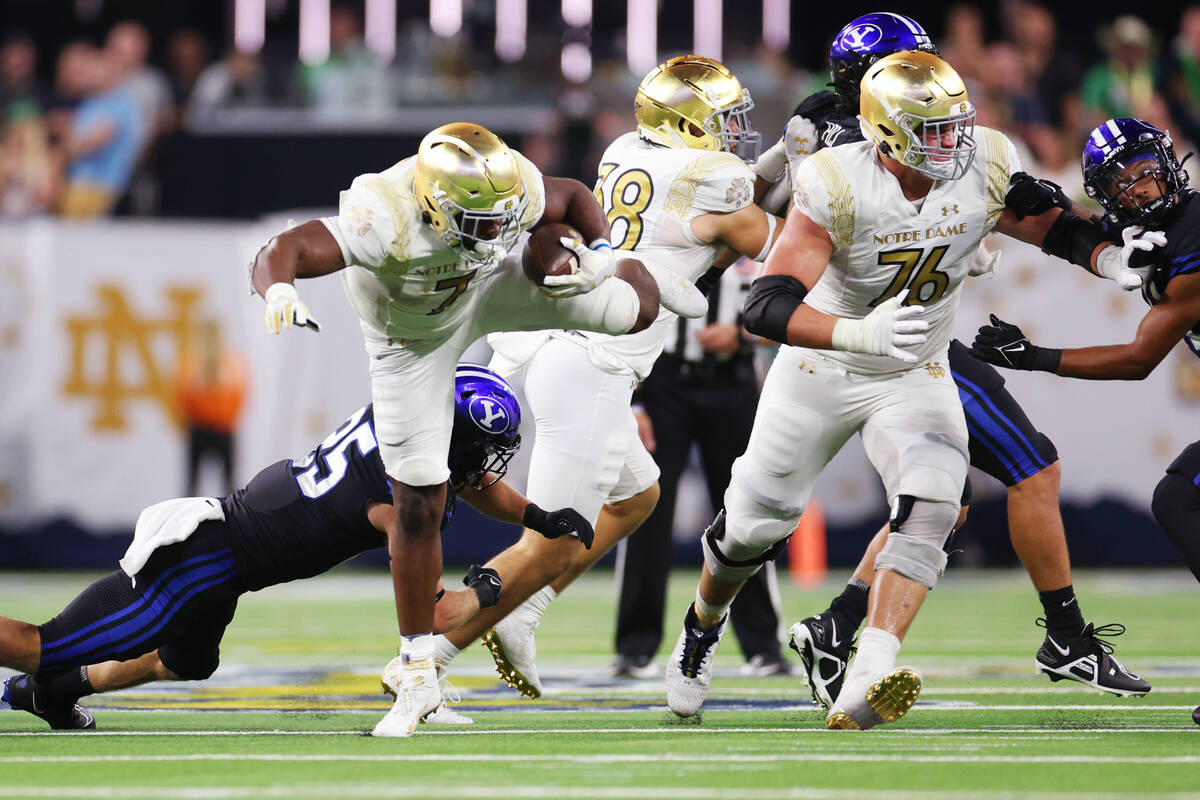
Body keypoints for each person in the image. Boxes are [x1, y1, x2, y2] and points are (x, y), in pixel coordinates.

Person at [664, 49, 1162, 731]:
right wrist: (854, 334)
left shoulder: (981, 157)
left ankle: (868, 670)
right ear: (886, 131)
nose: (951, 142)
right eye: (932, 130)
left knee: (934, 500)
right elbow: (765, 305)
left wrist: (1110, 258)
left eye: (956, 124)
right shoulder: (839, 181)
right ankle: (701, 626)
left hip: (915, 369)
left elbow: (1049, 226)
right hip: (824, 369)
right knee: (755, 526)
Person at [250, 120, 701, 736]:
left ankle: (638, 268)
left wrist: (592, 251)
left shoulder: (501, 184)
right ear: (434, 206)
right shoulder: (383, 216)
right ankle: (414, 667)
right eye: (480, 222)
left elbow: (568, 196)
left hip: (487, 287)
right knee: (417, 498)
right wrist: (277, 287)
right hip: (411, 337)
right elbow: (285, 248)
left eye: (501, 219)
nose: (495, 230)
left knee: (632, 310)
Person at [422, 56, 786, 700]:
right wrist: (802, 167)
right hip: (591, 364)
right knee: (552, 538)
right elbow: (781, 244)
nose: (734, 131)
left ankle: (522, 616)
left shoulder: (625, 148)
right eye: (724, 119)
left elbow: (703, 239)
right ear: (689, 122)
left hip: (558, 340)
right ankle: (429, 656)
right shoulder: (716, 178)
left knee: (636, 498)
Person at [0, 365, 593, 733]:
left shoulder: (403, 425)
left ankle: (50, 693)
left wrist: (534, 515)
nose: (483, 466)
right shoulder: (406, 502)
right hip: (194, 565)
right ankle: (45, 676)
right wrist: (504, 581)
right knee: (41, 645)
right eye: (479, 449)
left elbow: (471, 481)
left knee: (186, 662)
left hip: (220, 560)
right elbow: (436, 615)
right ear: (455, 440)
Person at [969, 117, 1199, 721]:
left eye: (1147, 169)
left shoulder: (1195, 235)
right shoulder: (1153, 226)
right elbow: (1093, 234)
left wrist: (1036, 357)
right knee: (1180, 498)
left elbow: (1139, 358)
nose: (1141, 187)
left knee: (1180, 500)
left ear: (1170, 162)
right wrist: (1045, 200)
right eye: (1123, 181)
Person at [614, 261, 789, 679]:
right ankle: (635, 646)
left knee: (745, 513)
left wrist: (743, 335)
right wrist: (633, 402)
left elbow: (785, 307)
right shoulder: (669, 219)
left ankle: (762, 645)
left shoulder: (755, 221)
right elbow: (628, 307)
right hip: (663, 380)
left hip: (732, 380)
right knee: (646, 507)